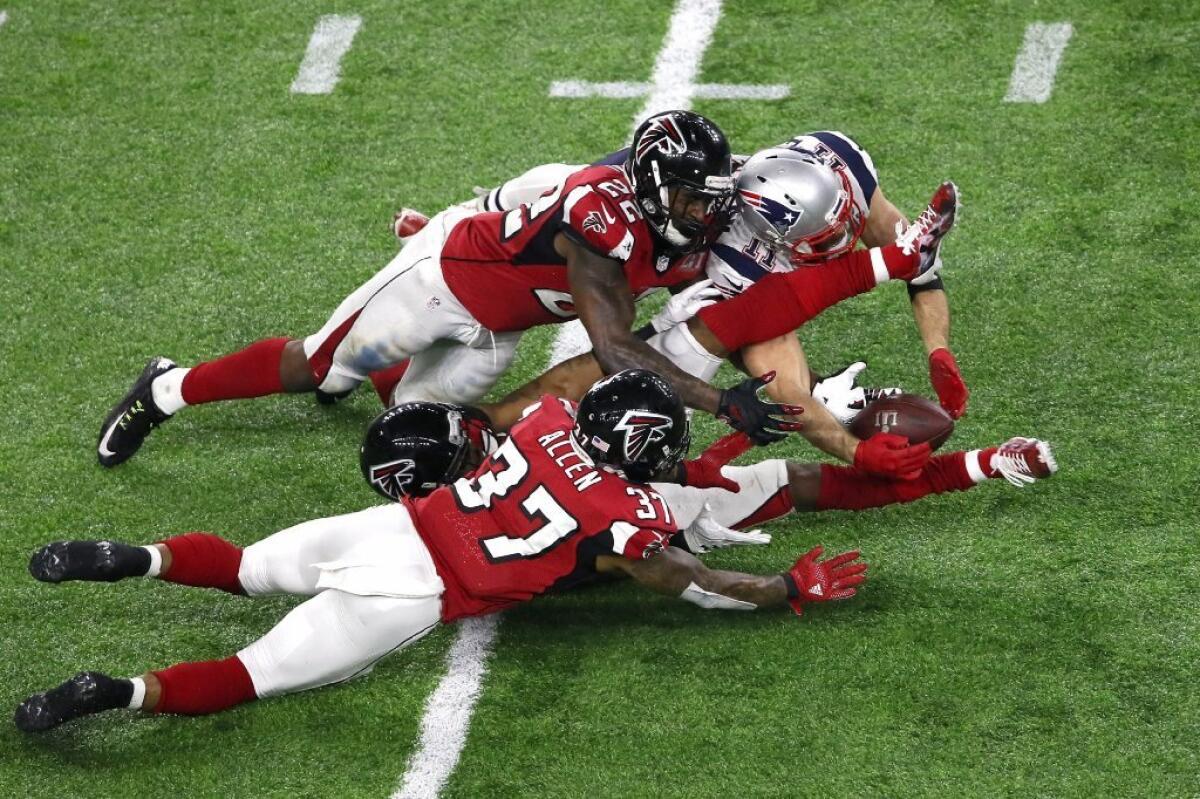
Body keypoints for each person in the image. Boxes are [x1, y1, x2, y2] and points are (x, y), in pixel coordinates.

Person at [21, 370, 866, 733]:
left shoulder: (542, 421)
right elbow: (695, 579)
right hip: (418, 593)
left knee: (244, 565)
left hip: (389, 527)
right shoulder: (628, 522)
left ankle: (127, 554)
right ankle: (113, 693)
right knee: (251, 672)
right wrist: (782, 586)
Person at [96, 111, 803, 469]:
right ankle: (166, 388)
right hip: (443, 284)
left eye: (708, 197)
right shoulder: (602, 216)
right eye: (689, 197)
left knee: (417, 431)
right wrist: (718, 401)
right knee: (317, 363)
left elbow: (541, 177)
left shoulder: (677, 206)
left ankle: (366, 373)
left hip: (500, 326)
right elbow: (615, 348)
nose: (702, 212)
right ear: (651, 188)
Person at [383, 133, 961, 475]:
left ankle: (478, 420)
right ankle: (447, 236)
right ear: (770, 232)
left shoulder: (840, 165)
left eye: (843, 232)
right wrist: (854, 451)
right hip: (655, 258)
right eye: (821, 244)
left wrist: (939, 351)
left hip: (688, 242)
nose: (839, 245)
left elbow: (918, 264)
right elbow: (782, 387)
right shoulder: (732, 255)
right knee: (643, 355)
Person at [359, 399, 1059, 554]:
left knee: (782, 473)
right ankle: (985, 464)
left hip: (618, 493)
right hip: (629, 524)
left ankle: (819, 399)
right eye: (461, 455)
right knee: (794, 480)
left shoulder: (481, 473)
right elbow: (616, 555)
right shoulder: (461, 529)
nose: (480, 439)